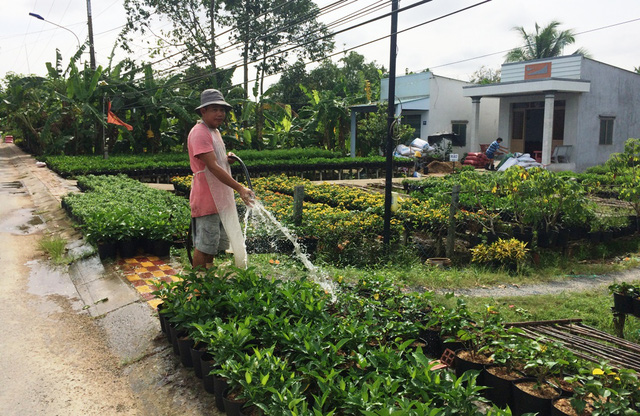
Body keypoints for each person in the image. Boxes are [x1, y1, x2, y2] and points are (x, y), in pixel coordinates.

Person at [188, 89, 255, 269]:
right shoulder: (199, 132)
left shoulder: (214, 132)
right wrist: (240, 188)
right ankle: (198, 284)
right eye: (214, 109)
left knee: (213, 244)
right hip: (207, 198)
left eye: (222, 110)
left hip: (220, 198)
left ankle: (207, 278)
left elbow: (216, 161)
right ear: (203, 111)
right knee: (204, 244)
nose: (220, 114)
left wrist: (227, 159)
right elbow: (212, 167)